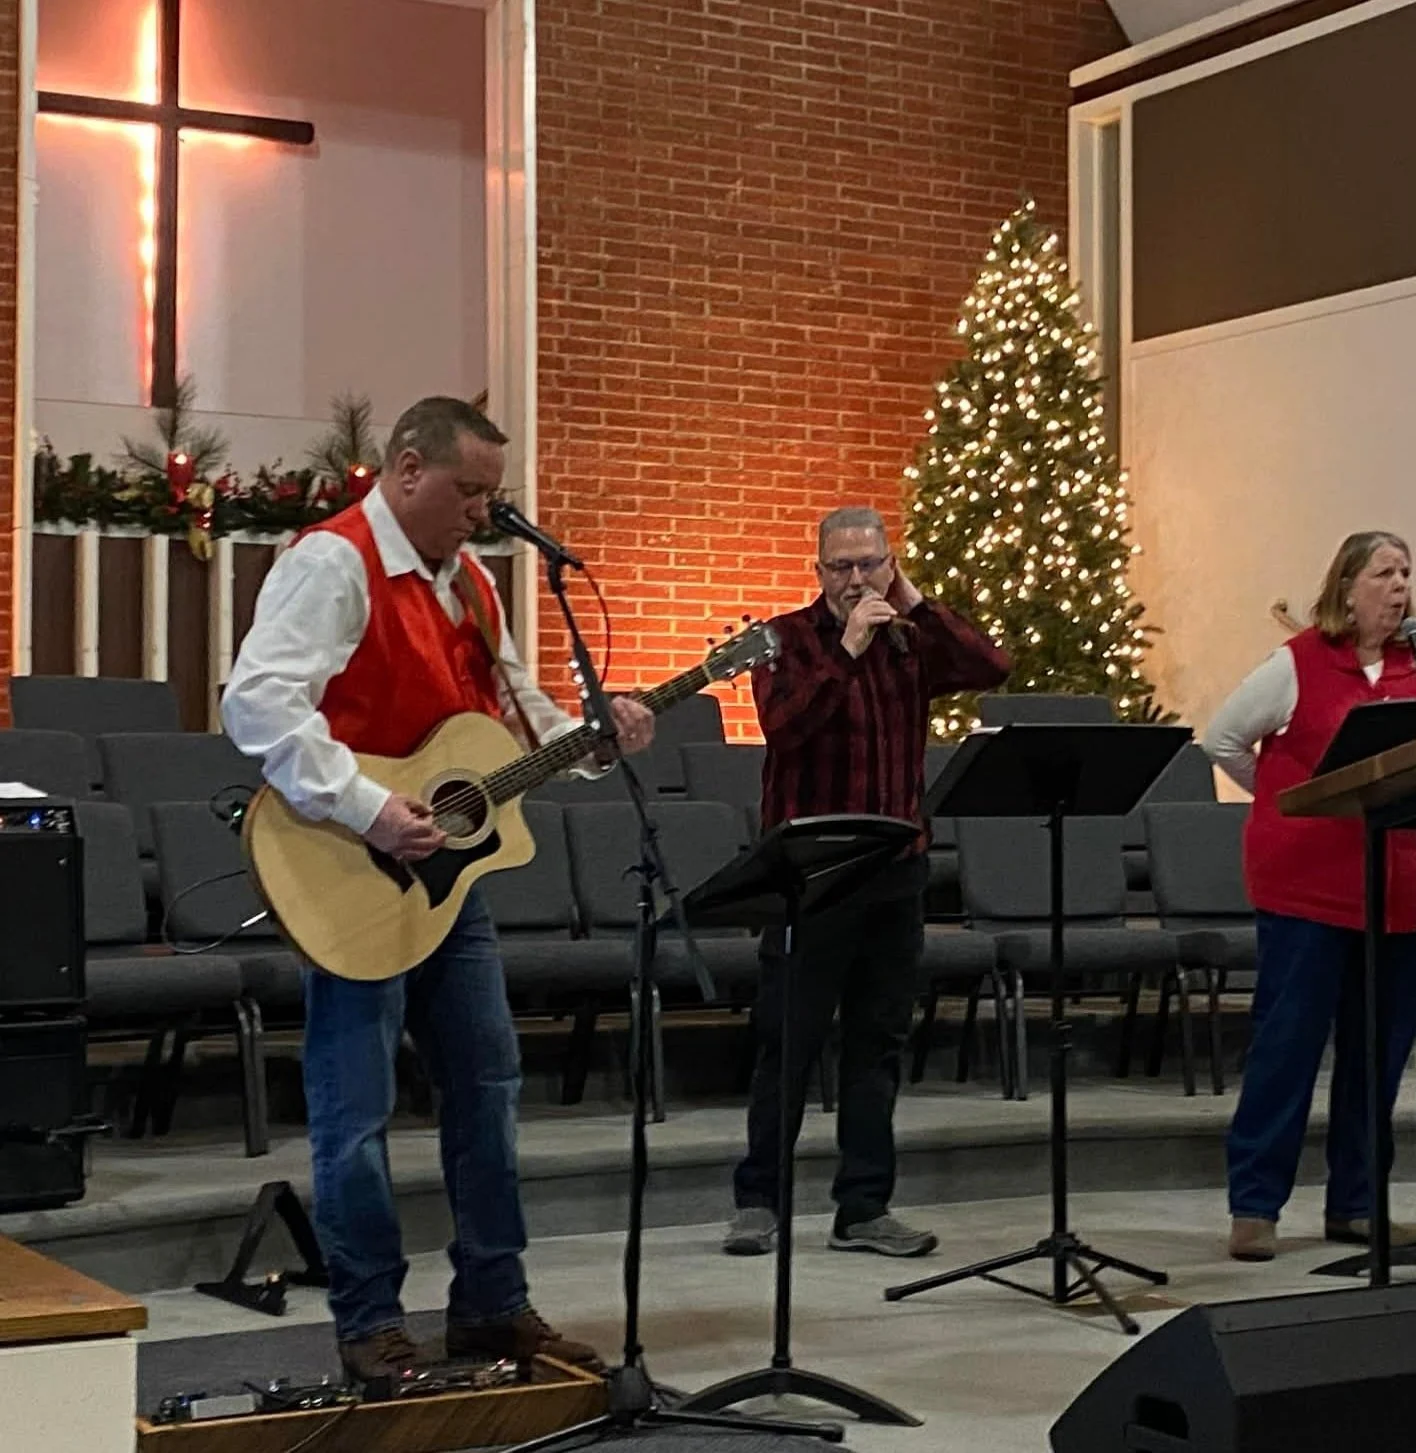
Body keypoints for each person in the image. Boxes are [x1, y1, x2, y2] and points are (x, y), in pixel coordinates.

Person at [221, 396, 656, 1382]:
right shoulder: (335, 562)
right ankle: (370, 1322)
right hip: (349, 870)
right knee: (355, 1114)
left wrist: (593, 739)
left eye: (493, 496)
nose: (482, 512)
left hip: (448, 888)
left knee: (489, 1093)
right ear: (405, 472)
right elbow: (254, 701)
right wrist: (369, 807)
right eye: (469, 491)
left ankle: (491, 1308)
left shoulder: (471, 589)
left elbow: (512, 719)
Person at [724, 506, 1010, 1259]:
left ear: (890, 564)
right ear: (818, 573)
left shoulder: (910, 639)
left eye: (870, 564)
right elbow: (786, 725)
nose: (857, 580)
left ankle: (863, 1206)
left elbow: (992, 667)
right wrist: (848, 650)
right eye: (842, 567)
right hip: (811, 877)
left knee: (877, 1043)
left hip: (895, 868)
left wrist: (915, 602)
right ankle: (759, 1199)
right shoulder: (785, 640)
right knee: (788, 1041)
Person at [1205, 530, 1416, 1263]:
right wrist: (1288, 802)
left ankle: (1356, 1202)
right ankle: (1255, 1203)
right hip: (1307, 890)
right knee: (1289, 1046)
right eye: (1384, 572)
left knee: (1378, 1057)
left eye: (1407, 572)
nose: (1399, 585)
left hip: (1405, 891)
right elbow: (1223, 740)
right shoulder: (1298, 663)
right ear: (1348, 585)